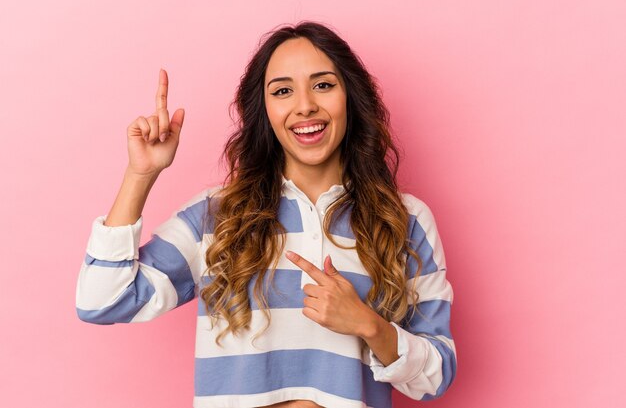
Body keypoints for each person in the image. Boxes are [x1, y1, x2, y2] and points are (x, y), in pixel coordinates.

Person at [75, 21, 456, 408]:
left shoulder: (403, 219)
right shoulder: (215, 216)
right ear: (266, 110)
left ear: (350, 98)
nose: (305, 105)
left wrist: (369, 325)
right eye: (283, 91)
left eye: (323, 85)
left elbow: (436, 375)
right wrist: (140, 175)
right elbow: (102, 300)